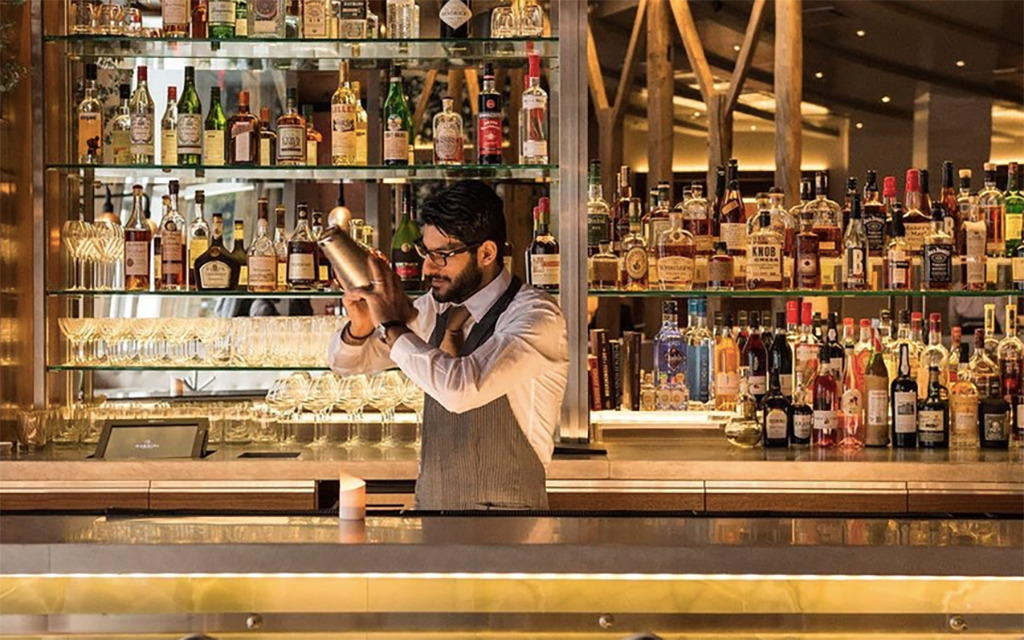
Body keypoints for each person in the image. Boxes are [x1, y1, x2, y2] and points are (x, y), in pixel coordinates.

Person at [328, 181, 569, 510]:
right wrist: (361, 327)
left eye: (442, 256)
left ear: (486, 253)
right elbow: (346, 364)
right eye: (425, 252)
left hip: (511, 526)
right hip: (432, 514)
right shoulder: (436, 308)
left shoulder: (536, 316)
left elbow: (462, 389)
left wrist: (393, 325)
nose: (428, 268)